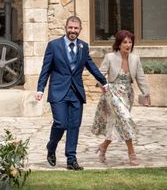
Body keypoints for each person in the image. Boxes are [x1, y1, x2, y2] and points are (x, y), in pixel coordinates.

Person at [36, 16, 108, 170]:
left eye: (76, 28)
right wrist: (40, 89)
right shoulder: (54, 45)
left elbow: (91, 66)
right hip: (58, 91)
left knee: (74, 125)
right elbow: (45, 69)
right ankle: (51, 146)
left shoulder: (84, 46)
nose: (73, 31)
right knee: (61, 123)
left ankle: (71, 159)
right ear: (66, 27)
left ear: (80, 29)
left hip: (76, 92)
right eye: (70, 28)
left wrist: (103, 81)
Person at [91, 30, 150, 165]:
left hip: (128, 94)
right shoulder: (110, 57)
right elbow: (101, 73)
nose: (128, 45)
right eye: (125, 42)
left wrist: (146, 93)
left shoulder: (135, 58)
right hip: (112, 92)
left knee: (118, 123)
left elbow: (140, 77)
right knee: (125, 119)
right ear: (118, 44)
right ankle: (132, 153)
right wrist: (101, 85)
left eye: (130, 42)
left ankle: (103, 146)